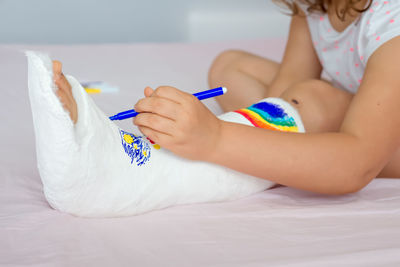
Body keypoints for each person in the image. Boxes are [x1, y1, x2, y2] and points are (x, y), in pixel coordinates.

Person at [53, 0, 400, 196]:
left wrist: (216, 138)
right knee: (229, 68)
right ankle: (292, 151)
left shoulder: (392, 21)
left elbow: (357, 169)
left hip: (381, 142)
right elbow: (283, 95)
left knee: (313, 98)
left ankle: (149, 163)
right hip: (370, 99)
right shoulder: (314, 5)